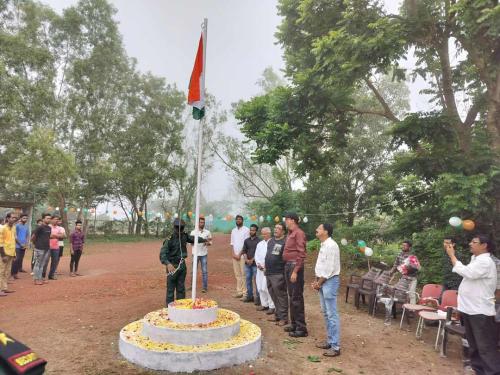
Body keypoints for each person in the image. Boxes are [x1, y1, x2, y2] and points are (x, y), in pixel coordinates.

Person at [445, 234, 500, 375]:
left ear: (484, 246)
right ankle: (478, 370)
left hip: (480, 312)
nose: (470, 244)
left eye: (474, 242)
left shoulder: (486, 262)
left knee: (485, 347)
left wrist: (452, 255)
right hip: (469, 309)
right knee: (474, 345)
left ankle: (492, 372)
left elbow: (468, 273)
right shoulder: (476, 259)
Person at [160, 219, 209, 305]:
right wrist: (168, 264)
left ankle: (181, 307)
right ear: (174, 227)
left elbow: (193, 238)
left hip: (182, 266)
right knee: (171, 290)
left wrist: (204, 240)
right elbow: (162, 254)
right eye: (178, 228)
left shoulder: (184, 236)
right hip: (172, 266)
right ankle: (169, 309)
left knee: (181, 288)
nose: (179, 230)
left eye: (181, 228)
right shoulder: (169, 239)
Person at [312, 223, 341, 357]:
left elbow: (329, 269)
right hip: (323, 281)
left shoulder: (331, 245)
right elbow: (321, 265)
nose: (316, 230)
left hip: (329, 281)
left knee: (331, 314)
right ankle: (330, 341)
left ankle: (335, 347)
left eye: (319, 228)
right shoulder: (324, 244)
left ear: (326, 231)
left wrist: (319, 283)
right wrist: (316, 280)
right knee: (325, 313)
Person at [283, 212, 308, 337]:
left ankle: (301, 328)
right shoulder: (290, 233)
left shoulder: (299, 233)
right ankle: (294, 324)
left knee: (296, 297)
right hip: (288, 265)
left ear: (292, 220)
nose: (285, 221)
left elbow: (301, 253)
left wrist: (295, 271)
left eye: (286, 219)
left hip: (294, 266)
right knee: (291, 296)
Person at [265, 223, 288, 325]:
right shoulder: (271, 241)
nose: (276, 230)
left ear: (283, 231)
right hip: (269, 272)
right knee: (273, 294)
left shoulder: (285, 242)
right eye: (275, 227)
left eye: (278, 228)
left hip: (278, 273)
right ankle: (278, 315)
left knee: (281, 296)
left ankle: (284, 318)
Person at [255, 227, 275, 313]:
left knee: (267, 287)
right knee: (260, 287)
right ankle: (264, 304)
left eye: (265, 233)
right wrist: (258, 264)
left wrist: (266, 266)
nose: (264, 235)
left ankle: (272, 306)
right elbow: (256, 255)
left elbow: (273, 257)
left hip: (269, 269)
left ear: (269, 233)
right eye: (262, 234)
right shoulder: (260, 244)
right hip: (260, 269)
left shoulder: (273, 243)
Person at [190, 216, 212, 293]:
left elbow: (210, 242)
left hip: (203, 254)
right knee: (193, 271)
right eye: (200, 222)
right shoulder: (193, 232)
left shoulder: (208, 232)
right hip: (195, 254)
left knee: (204, 271)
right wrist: (196, 241)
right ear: (198, 223)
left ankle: (205, 287)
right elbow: (191, 243)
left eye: (203, 222)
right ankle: (192, 286)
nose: (202, 223)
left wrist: (207, 243)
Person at [230, 215, 249, 299]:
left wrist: (239, 254)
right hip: (235, 256)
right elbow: (232, 243)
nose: (238, 221)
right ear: (235, 220)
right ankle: (239, 292)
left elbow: (246, 244)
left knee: (243, 274)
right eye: (237, 219)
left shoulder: (246, 230)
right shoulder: (233, 230)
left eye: (240, 219)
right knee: (237, 275)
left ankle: (245, 293)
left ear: (242, 220)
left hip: (242, 256)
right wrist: (234, 254)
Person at [240, 224, 261, 304]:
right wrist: (246, 259)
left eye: (253, 230)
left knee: (256, 281)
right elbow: (244, 251)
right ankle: (250, 296)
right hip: (247, 264)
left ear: (256, 231)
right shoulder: (246, 241)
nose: (251, 231)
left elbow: (259, 252)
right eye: (250, 230)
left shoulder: (259, 241)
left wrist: (252, 260)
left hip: (255, 264)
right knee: (248, 280)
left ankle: (258, 298)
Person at [0, 213, 18, 296]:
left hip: (11, 253)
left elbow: (13, 241)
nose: (14, 219)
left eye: (15, 218)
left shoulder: (14, 228)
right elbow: (0, 243)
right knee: (1, 271)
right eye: (13, 217)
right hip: (4, 253)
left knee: (7, 271)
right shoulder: (2, 228)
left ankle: (4, 288)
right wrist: (3, 255)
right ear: (7, 218)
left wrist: (14, 254)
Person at [32, 213, 52, 285]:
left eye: (50, 218)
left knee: (42, 264)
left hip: (46, 248)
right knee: (37, 264)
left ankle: (40, 278)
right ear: (43, 219)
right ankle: (35, 280)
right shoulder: (40, 227)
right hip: (39, 248)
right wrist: (36, 245)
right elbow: (33, 237)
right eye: (47, 218)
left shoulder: (49, 228)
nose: (49, 219)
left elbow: (47, 238)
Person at [43, 215, 64, 280]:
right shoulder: (48, 227)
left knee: (55, 262)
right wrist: (57, 235)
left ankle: (51, 275)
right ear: (51, 220)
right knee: (45, 261)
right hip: (47, 247)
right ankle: (42, 276)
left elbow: (63, 236)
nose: (56, 220)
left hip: (56, 247)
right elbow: (48, 236)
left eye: (57, 219)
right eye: (55, 219)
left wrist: (54, 235)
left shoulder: (59, 228)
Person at [11, 213, 29, 278]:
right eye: (24, 218)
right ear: (20, 218)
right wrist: (20, 244)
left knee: (20, 259)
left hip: (23, 246)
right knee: (16, 259)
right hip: (17, 246)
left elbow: (27, 235)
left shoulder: (26, 226)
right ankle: (12, 274)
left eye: (26, 218)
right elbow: (15, 236)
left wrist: (26, 243)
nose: (25, 219)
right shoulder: (17, 226)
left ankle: (16, 273)